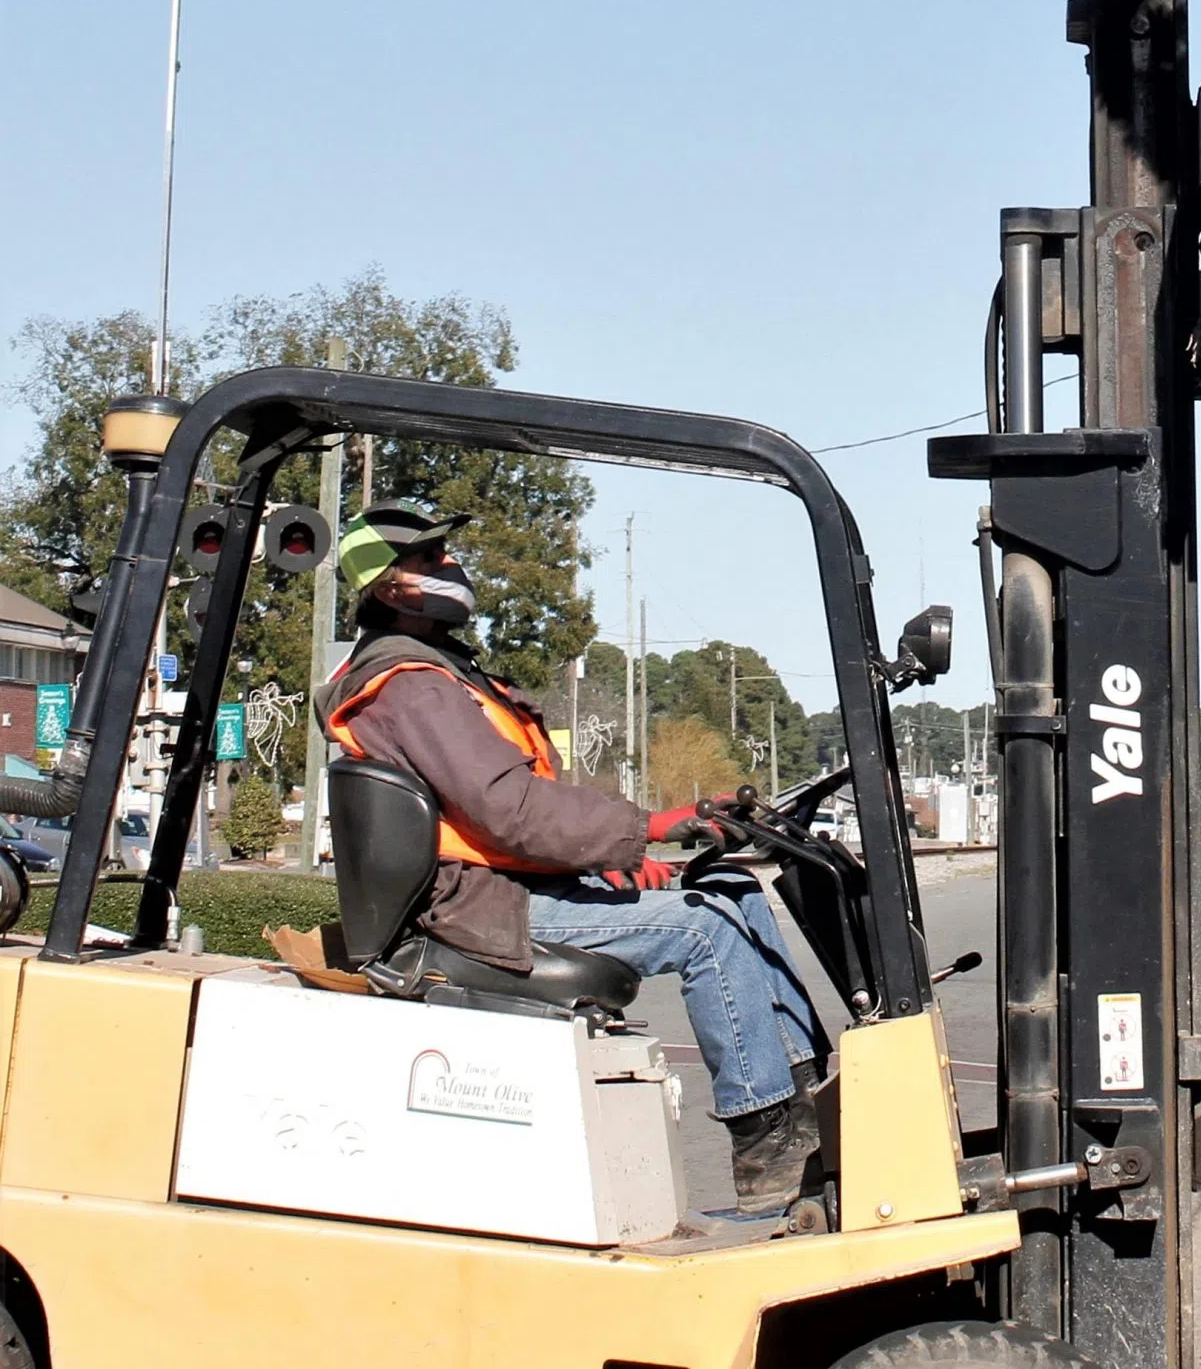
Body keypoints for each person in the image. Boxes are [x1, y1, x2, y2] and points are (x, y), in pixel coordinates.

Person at [317, 497, 826, 1213]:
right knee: (704, 927)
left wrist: (601, 855)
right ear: (393, 586)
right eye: (430, 557)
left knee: (733, 891)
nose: (451, 565)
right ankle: (766, 1135)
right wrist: (647, 826)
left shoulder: (439, 673)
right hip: (479, 908)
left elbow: (507, 811)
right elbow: (508, 809)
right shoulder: (411, 687)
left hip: (510, 883)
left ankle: (809, 1093)